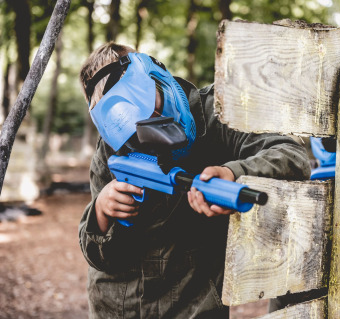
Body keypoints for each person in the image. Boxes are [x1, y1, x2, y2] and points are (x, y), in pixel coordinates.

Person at [78, 42, 311, 318]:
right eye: (134, 134)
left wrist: (234, 174)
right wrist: (103, 212)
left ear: (158, 75)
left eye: (154, 109)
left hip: (192, 307)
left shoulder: (219, 112)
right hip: (117, 309)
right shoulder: (111, 150)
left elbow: (291, 156)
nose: (155, 133)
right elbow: (98, 256)